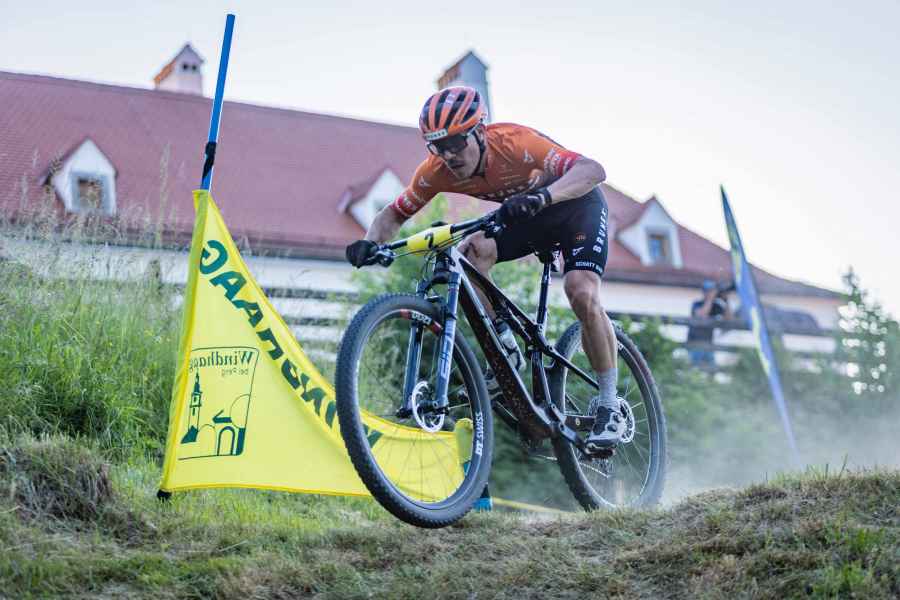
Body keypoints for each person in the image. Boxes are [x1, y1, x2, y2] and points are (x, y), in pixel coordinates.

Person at [345, 86, 622, 453]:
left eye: (455, 143)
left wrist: (543, 196)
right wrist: (370, 242)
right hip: (527, 215)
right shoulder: (437, 172)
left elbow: (593, 170)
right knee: (471, 253)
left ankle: (609, 406)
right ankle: (506, 346)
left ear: (479, 131)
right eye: (437, 146)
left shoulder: (516, 143)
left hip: (576, 207)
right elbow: (394, 214)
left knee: (580, 291)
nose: (448, 155)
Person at [686, 279, 733, 367]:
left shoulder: (716, 306)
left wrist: (726, 300)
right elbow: (702, 315)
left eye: (712, 291)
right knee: (695, 369)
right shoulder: (697, 304)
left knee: (711, 371)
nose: (711, 293)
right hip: (694, 344)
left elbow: (729, 318)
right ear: (703, 292)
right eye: (709, 291)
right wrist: (710, 299)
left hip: (708, 345)